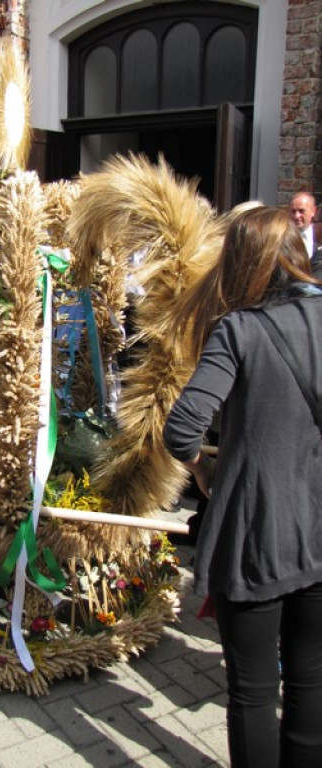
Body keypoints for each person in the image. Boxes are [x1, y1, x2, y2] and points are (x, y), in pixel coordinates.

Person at [163, 206, 322, 768]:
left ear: (243, 262)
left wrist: (204, 472)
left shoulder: (241, 329)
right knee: (310, 680)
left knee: (254, 691)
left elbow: (182, 428)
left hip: (258, 535)